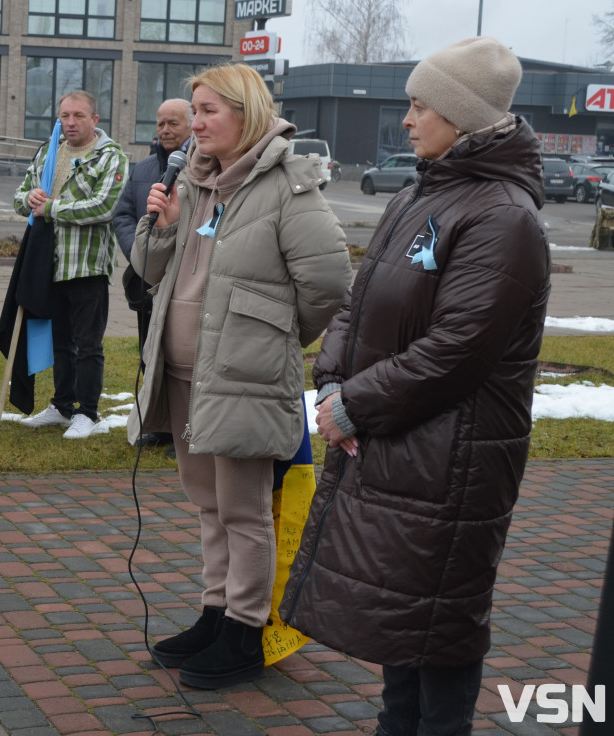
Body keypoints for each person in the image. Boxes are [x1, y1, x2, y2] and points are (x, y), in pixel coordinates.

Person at [280, 37, 551, 736]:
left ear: (461, 117)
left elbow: (458, 351)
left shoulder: (503, 216)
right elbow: (356, 299)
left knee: (441, 624)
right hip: (395, 441)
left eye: (420, 105)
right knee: (404, 619)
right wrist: (333, 378)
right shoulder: (419, 192)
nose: (406, 119)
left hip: (454, 459)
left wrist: (354, 405)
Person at [130, 63, 351, 689]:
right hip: (181, 374)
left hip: (244, 377)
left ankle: (246, 630)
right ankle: (214, 612)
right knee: (209, 506)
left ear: (245, 113)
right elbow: (148, 271)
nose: (194, 124)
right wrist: (163, 227)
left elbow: (330, 283)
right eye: (193, 111)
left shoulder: (285, 182)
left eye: (207, 112)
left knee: (245, 510)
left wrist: (272, 335)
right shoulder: (194, 181)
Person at [14, 90, 127, 439]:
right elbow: (21, 197)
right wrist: (29, 198)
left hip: (87, 265)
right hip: (50, 262)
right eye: (64, 115)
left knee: (88, 344)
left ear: (95, 119)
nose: (70, 122)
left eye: (78, 115)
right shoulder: (49, 151)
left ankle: (88, 413)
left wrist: (50, 207)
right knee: (60, 340)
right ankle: (63, 406)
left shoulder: (110, 157)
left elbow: (103, 207)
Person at [111, 97, 191, 451]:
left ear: (192, 124)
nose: (165, 130)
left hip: (188, 280)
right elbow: (122, 216)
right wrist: (140, 253)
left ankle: (185, 430)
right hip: (150, 282)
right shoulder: (142, 170)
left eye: (173, 123)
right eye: (160, 123)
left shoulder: (203, 169)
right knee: (150, 353)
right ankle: (159, 424)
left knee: (183, 358)